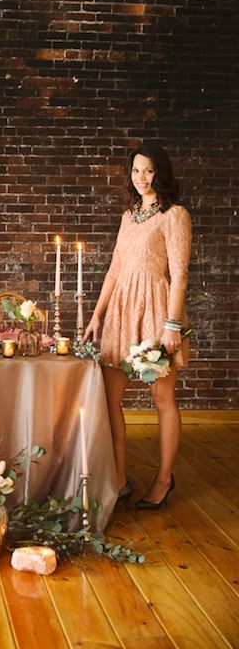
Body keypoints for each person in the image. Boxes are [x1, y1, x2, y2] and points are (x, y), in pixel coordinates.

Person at [84, 144, 191, 509]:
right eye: (135, 171)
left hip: (157, 311)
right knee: (110, 399)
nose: (141, 178)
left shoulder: (174, 215)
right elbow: (115, 269)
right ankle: (117, 477)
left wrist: (172, 326)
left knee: (161, 398)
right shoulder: (129, 216)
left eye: (148, 171)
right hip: (122, 310)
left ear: (160, 172)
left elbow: (179, 276)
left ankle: (163, 480)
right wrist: (97, 314)